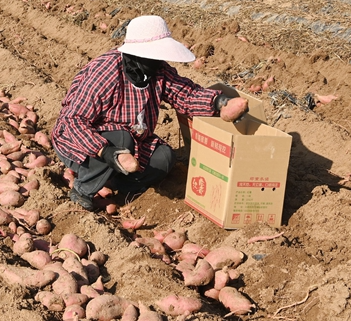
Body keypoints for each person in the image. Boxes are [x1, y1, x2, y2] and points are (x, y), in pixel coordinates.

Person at [51, 15, 249, 211]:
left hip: (130, 142)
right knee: (122, 139)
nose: (159, 60)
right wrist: (105, 150)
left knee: (164, 157)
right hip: (80, 143)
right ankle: (83, 189)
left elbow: (185, 95)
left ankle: (114, 183)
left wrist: (219, 102)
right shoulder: (106, 71)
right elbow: (72, 120)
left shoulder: (158, 70)